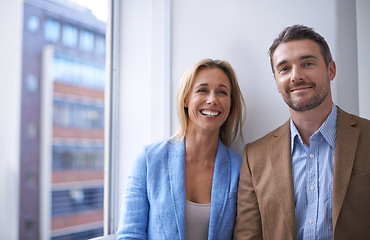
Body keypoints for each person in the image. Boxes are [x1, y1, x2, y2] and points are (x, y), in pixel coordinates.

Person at [233, 24, 370, 240]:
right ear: (277, 82)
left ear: (331, 70)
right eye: (284, 69)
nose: (296, 76)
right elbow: (247, 236)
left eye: (307, 63)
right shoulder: (255, 156)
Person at [116, 58, 246, 239]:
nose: (212, 99)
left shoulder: (240, 169)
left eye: (222, 92)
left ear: (230, 104)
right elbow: (130, 234)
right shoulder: (148, 159)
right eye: (202, 90)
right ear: (185, 99)